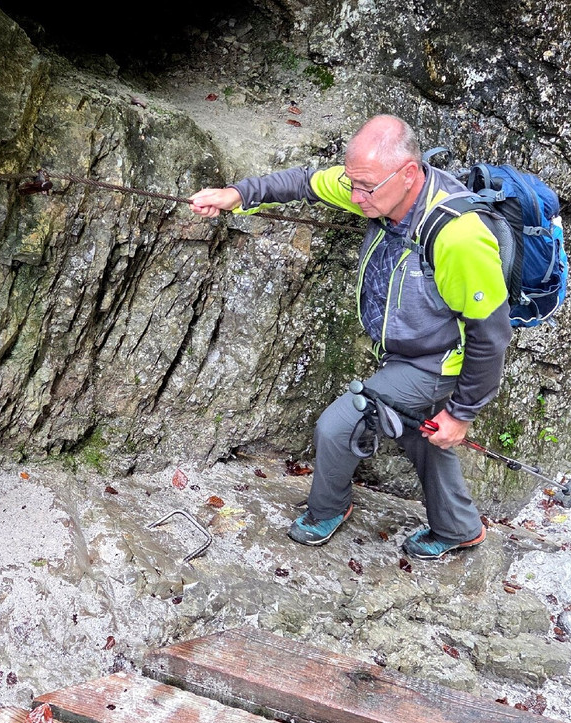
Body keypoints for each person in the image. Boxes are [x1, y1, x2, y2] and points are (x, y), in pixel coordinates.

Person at [188, 115, 513, 560]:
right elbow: (305, 183)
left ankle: (327, 510)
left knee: (340, 425)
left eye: (366, 189)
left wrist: (462, 412)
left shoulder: (458, 236)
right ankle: (457, 526)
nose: (356, 197)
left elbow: (491, 333)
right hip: (409, 352)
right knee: (423, 434)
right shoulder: (376, 186)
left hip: (438, 362)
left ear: (410, 174)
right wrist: (237, 195)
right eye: (352, 184)